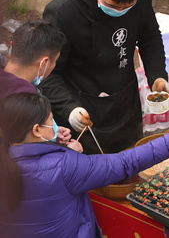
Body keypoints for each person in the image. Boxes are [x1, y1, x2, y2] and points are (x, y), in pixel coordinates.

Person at [41, 0, 169, 154]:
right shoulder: (63, 11)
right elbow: (48, 73)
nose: (121, 12)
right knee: (93, 173)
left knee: (131, 159)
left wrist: (157, 75)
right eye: (113, 6)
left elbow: (149, 36)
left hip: (124, 98)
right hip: (84, 105)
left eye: (128, 7)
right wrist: (70, 109)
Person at [0, 92, 169, 238]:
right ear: (37, 130)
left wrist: (55, 148)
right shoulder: (63, 166)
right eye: (51, 121)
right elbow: (124, 163)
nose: (55, 126)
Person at [0, 20, 75, 148]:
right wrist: (67, 152)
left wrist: (49, 131)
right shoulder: (24, 100)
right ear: (44, 63)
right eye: (55, 61)